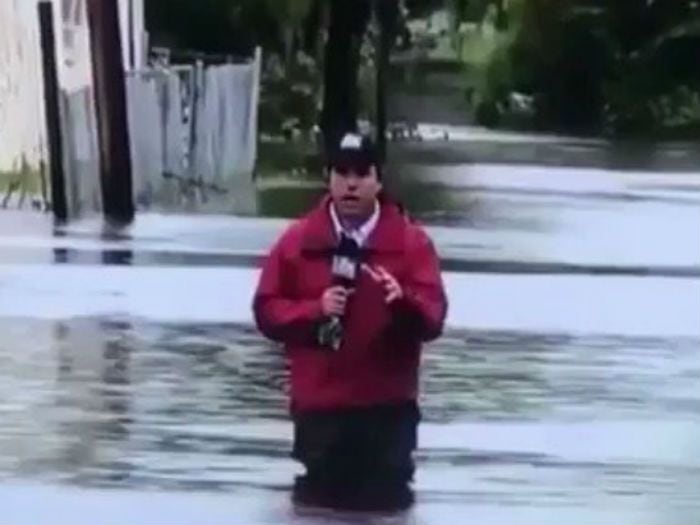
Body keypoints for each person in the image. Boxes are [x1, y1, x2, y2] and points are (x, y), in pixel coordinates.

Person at [252, 133, 448, 511]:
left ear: (379, 179)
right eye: (342, 173)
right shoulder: (297, 243)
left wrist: (402, 304)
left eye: (361, 173)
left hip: (387, 415)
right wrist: (314, 310)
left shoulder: (411, 245)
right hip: (321, 414)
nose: (351, 183)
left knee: (387, 507)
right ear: (328, 178)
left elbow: (433, 316)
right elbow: (266, 311)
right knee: (319, 508)